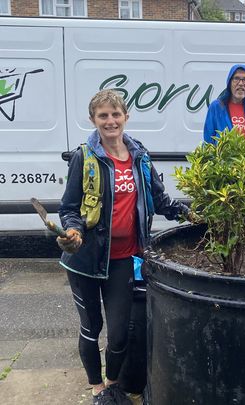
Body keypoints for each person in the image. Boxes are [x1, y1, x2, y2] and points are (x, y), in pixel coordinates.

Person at [57, 89, 191, 405]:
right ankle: (97, 389)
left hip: (122, 260)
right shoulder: (84, 158)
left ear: (125, 118)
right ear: (93, 120)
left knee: (118, 333)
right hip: (86, 261)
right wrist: (73, 230)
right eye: (103, 115)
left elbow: (160, 200)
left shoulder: (139, 156)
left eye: (115, 115)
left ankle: (113, 384)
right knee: (92, 328)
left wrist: (189, 213)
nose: (110, 121)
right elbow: (69, 207)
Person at [203, 64, 245, 144]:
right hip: (224, 156)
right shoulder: (217, 107)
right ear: (229, 83)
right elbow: (208, 141)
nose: (241, 83)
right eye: (236, 78)